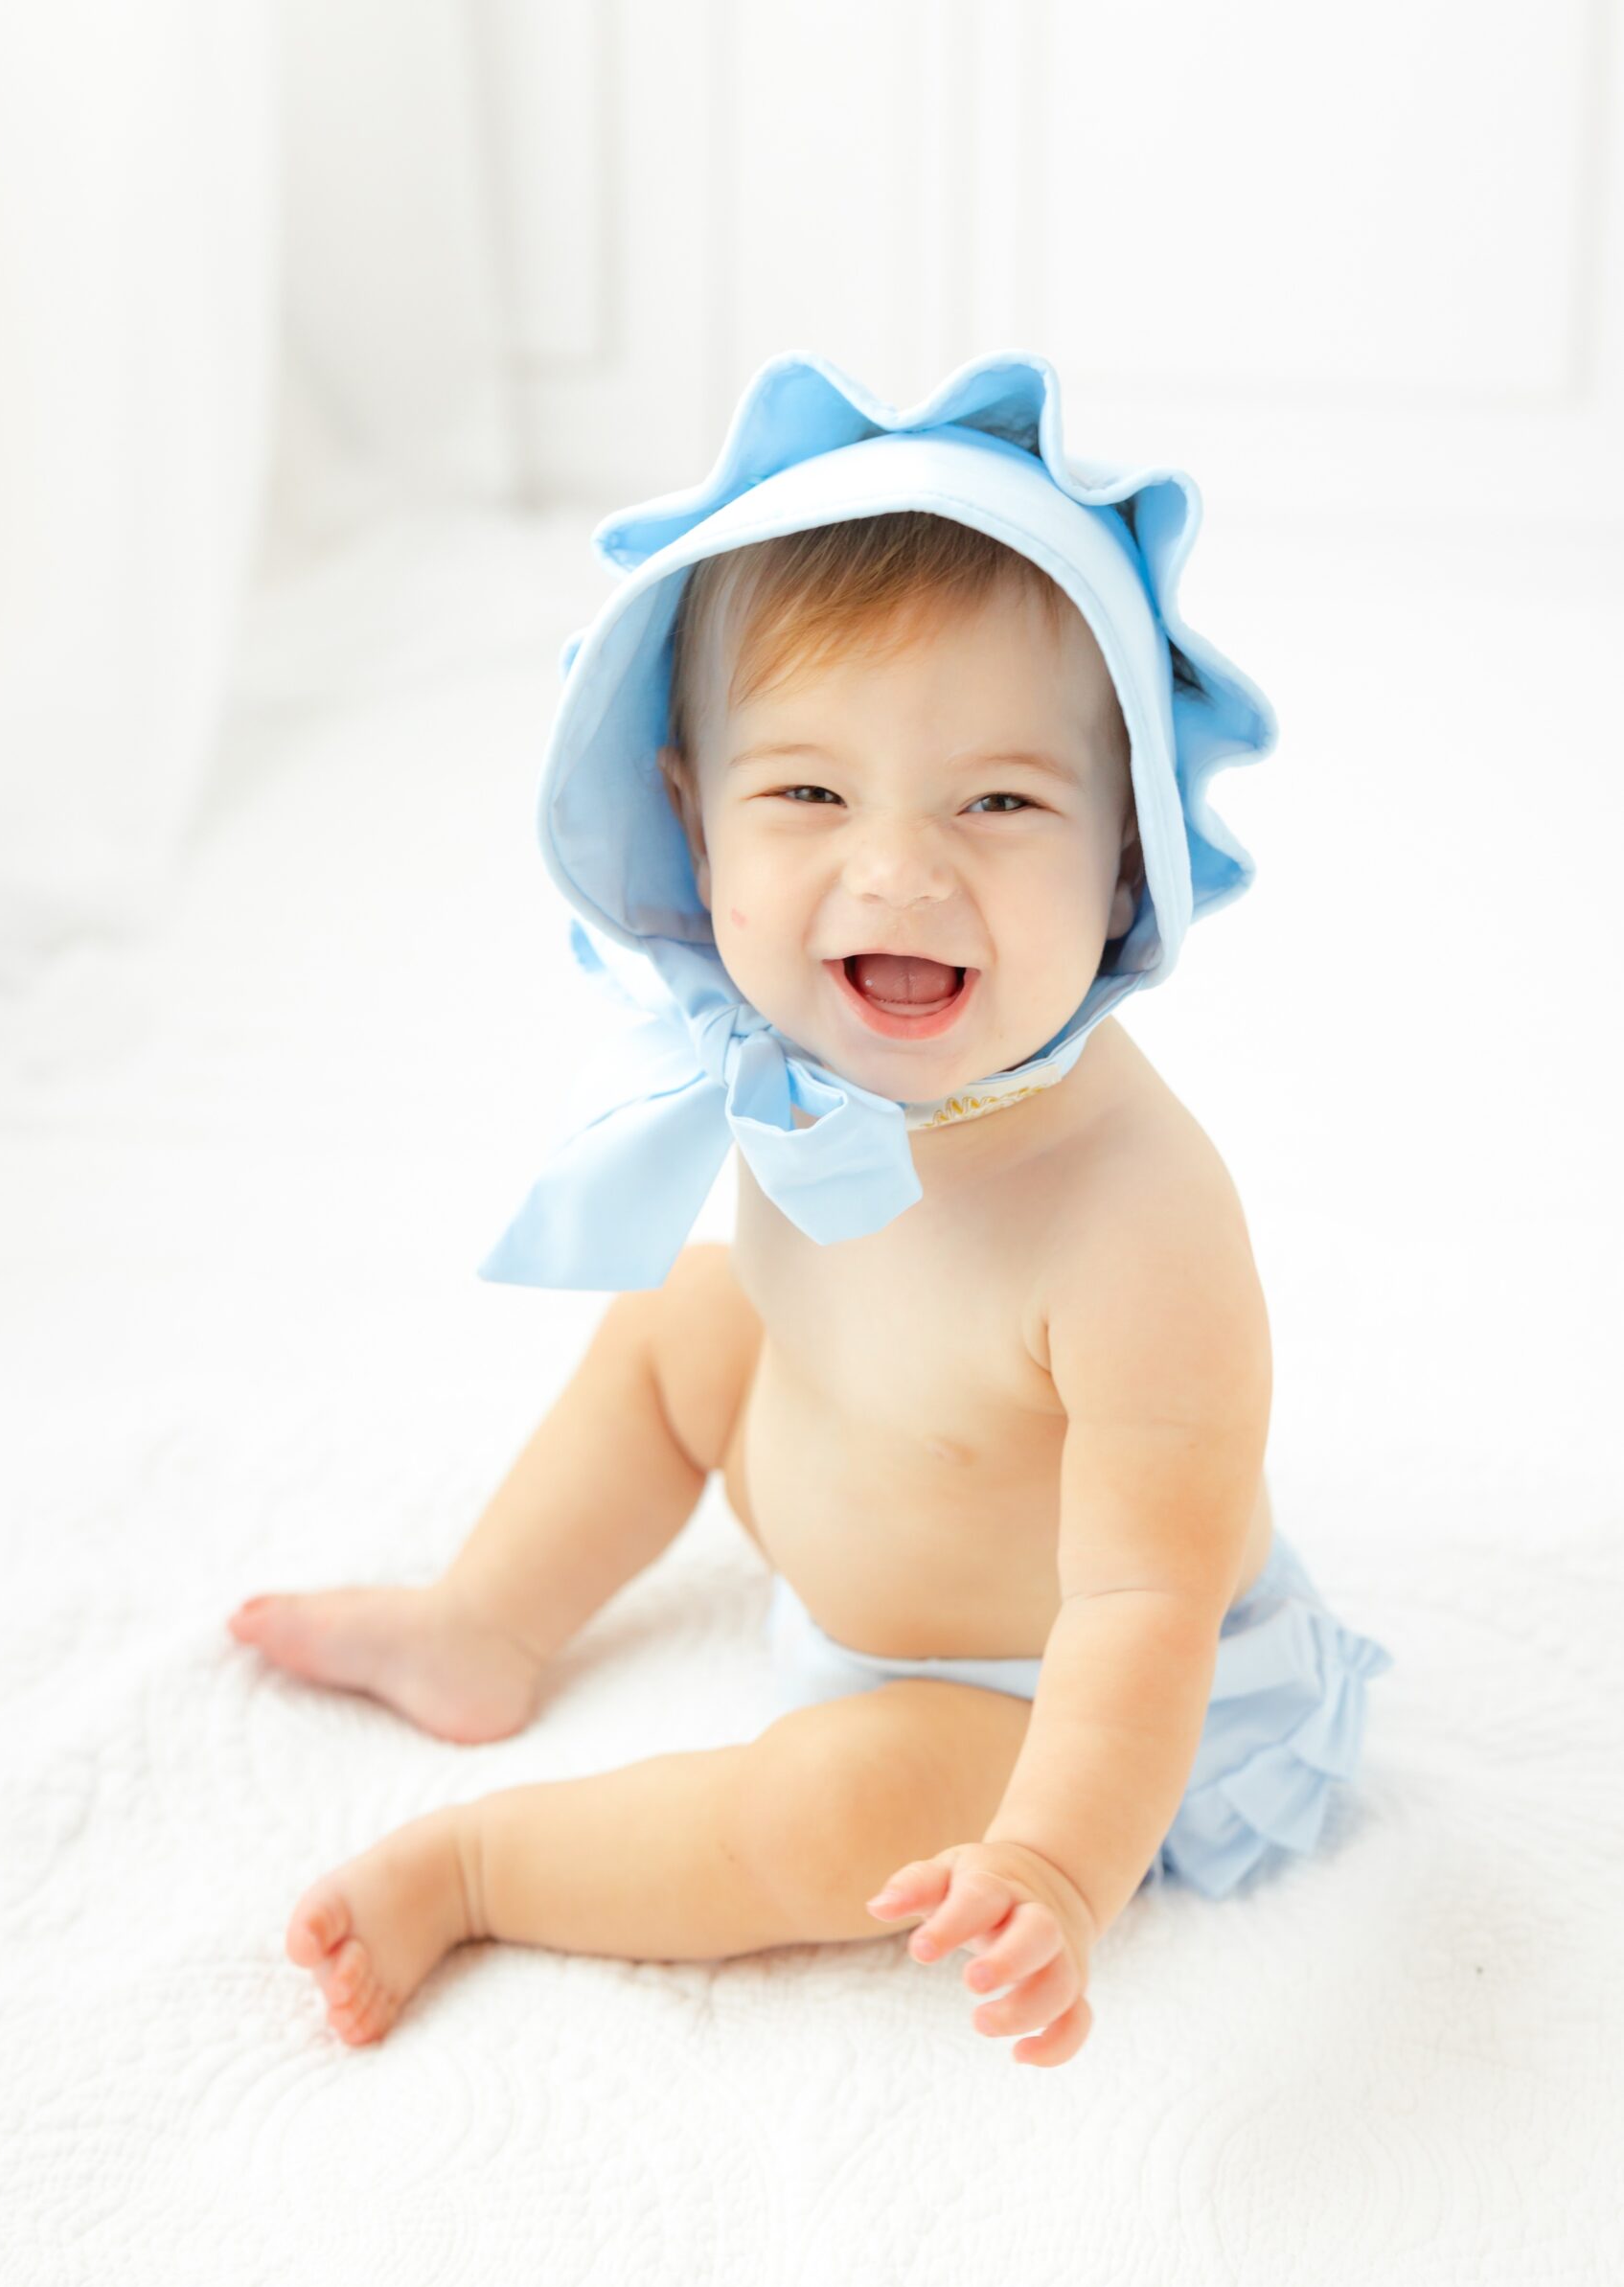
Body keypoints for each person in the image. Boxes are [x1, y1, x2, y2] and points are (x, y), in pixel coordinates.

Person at [227, 351, 1393, 2064]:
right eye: (808, 795)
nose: (899, 871)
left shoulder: (1138, 1222)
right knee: (688, 1322)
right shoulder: (792, 1064)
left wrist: (1058, 1869)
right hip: (848, 1503)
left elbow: (1143, 1610)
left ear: (1129, 853)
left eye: (1000, 801)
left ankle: (481, 1870)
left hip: (1017, 1692)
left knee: (827, 1811)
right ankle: (484, 1623)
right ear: (694, 832)